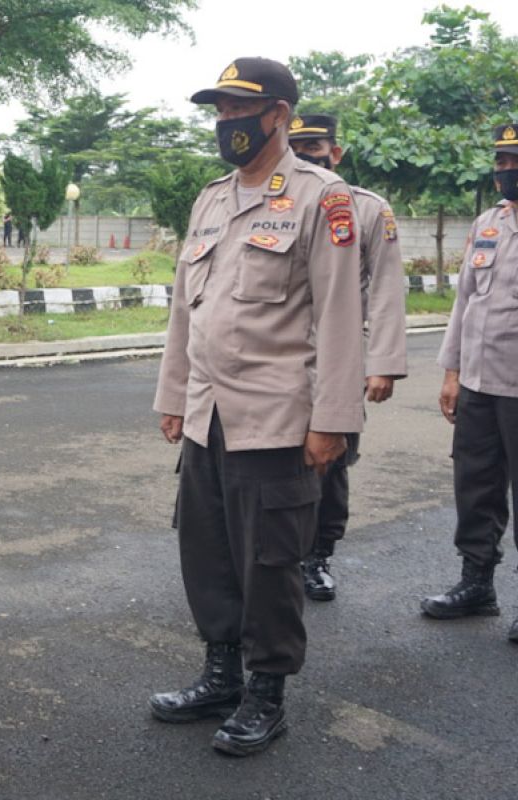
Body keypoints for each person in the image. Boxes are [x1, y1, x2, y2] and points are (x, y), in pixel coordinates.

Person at [150, 58, 364, 757]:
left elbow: (338, 316)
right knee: (206, 550)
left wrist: (332, 420)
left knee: (270, 562)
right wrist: (174, 394)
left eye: (240, 110)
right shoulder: (210, 199)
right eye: (219, 111)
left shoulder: (321, 197)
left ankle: (266, 694)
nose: (227, 123)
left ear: (279, 114)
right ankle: (220, 674)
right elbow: (188, 308)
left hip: (277, 418)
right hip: (209, 412)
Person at [287, 114, 409, 601]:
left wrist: (382, 363)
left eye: (313, 145)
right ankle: (278, 553)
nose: (303, 154)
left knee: (329, 461)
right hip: (285, 355)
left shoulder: (366, 210)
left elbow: (385, 289)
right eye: (294, 145)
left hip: (342, 355)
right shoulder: (276, 206)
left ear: (335, 153)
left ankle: (318, 557)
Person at [422, 122, 518, 639]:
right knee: (475, 486)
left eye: (514, 161)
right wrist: (452, 372)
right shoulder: (489, 222)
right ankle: (476, 583)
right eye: (501, 162)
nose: (507, 170)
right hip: (480, 384)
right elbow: (465, 302)